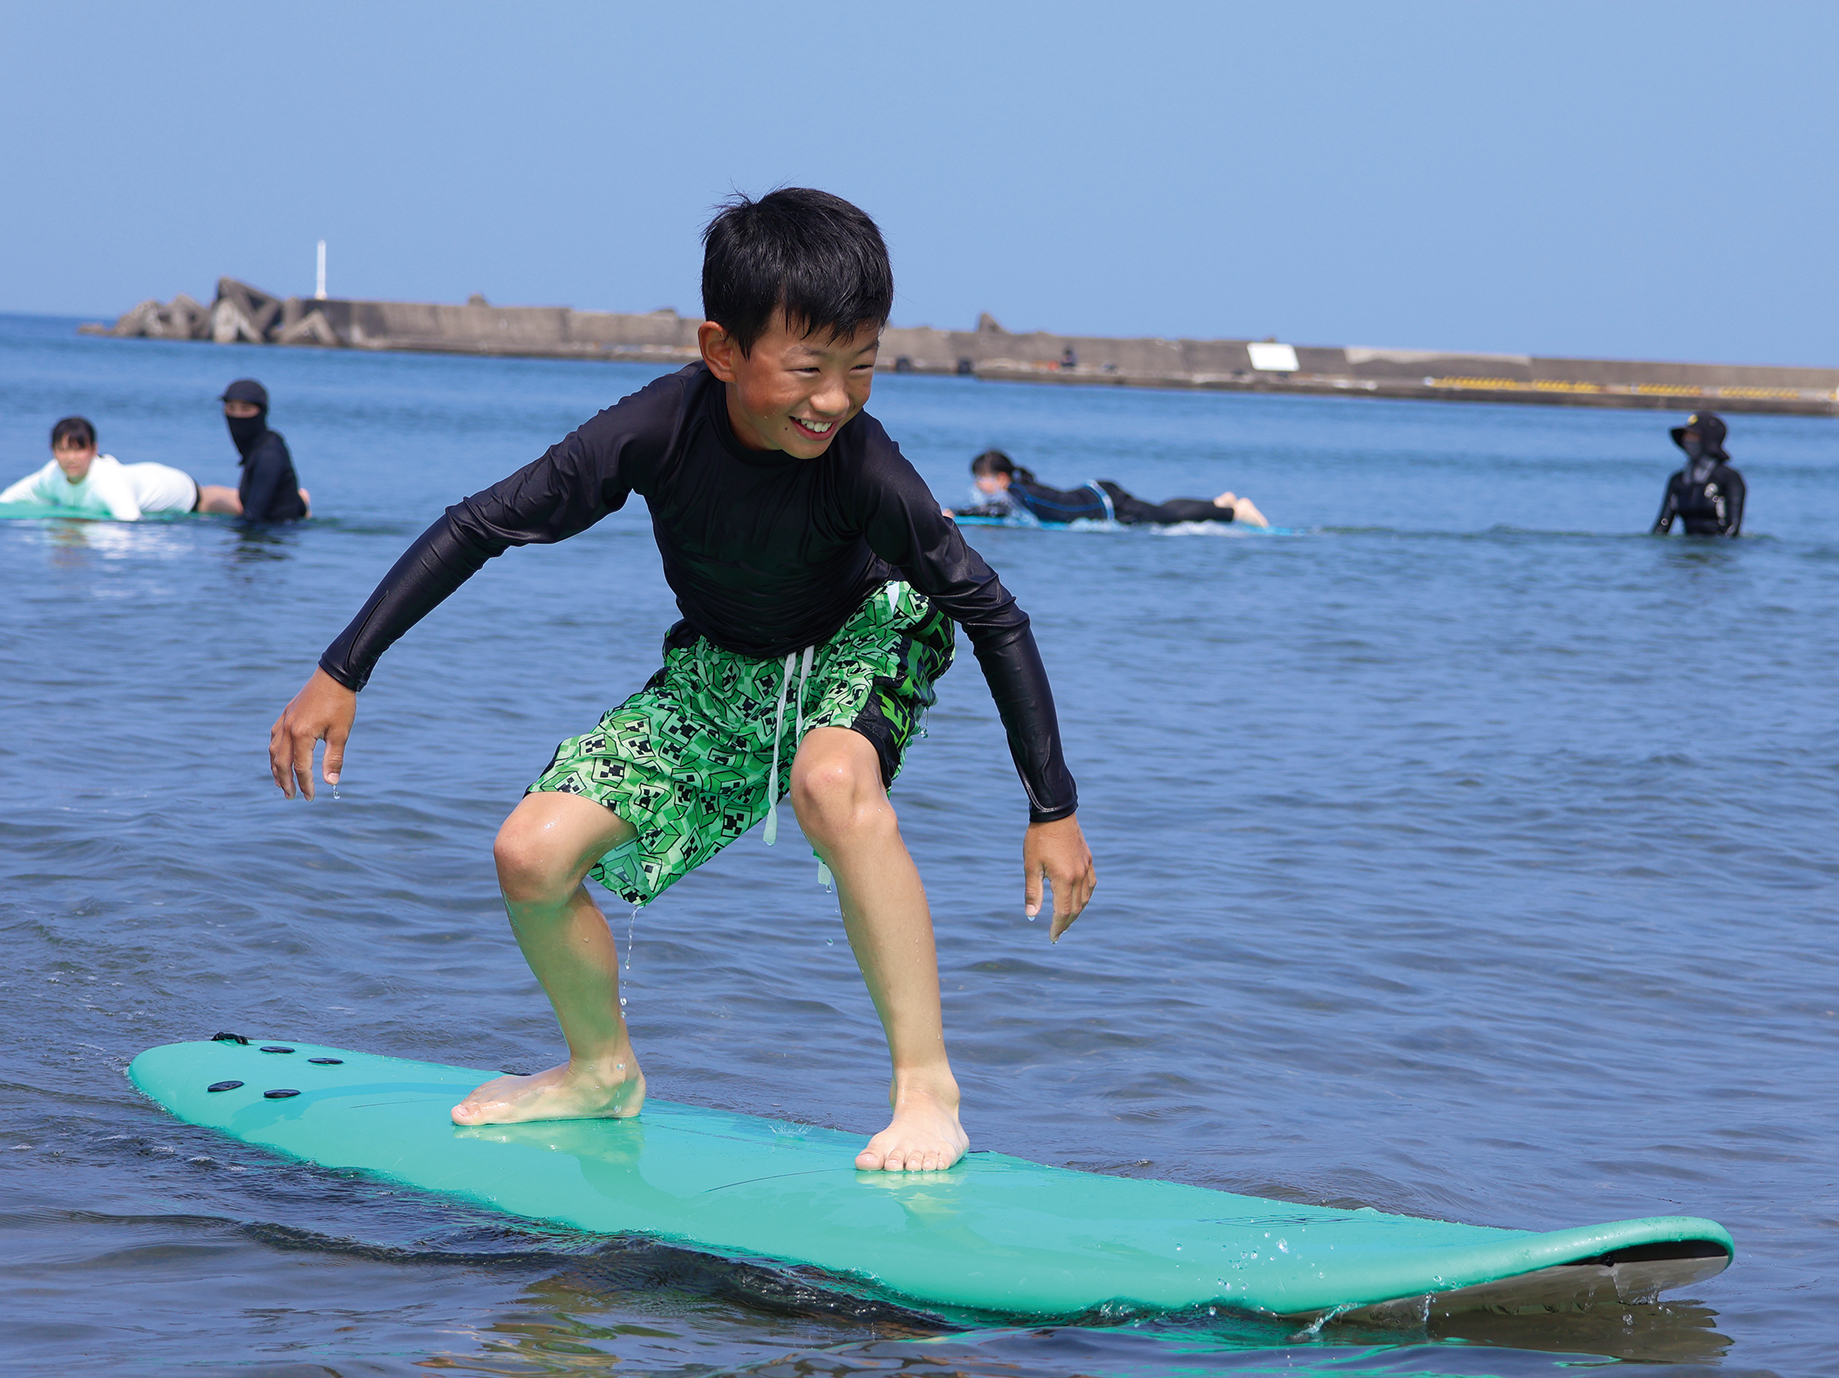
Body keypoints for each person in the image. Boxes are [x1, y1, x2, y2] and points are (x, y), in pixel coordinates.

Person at [267, 189, 1095, 1174]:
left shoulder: (868, 469)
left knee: (832, 782)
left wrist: (1052, 805)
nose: (835, 399)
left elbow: (992, 610)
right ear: (721, 350)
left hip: (872, 630)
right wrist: (341, 667)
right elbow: (479, 523)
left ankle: (927, 1092)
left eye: (862, 366)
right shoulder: (650, 432)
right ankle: (600, 1072)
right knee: (530, 853)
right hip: (726, 661)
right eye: (809, 368)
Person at [950, 450, 1269, 527]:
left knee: (1166, 518)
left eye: (984, 478)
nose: (980, 484)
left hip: (1106, 502)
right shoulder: (1019, 491)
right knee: (1161, 510)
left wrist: (956, 513)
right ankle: (1218, 501)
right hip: (1098, 494)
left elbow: (992, 510)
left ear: (1002, 478)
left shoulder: (1015, 495)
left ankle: (1233, 511)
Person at [2, 416, 206, 520]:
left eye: (78, 450)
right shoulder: (51, 474)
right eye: (62, 450)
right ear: (52, 451)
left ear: (93, 449)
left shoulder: (108, 483)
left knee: (232, 503)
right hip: (144, 476)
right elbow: (8, 499)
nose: (70, 458)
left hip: (185, 493)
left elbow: (131, 523)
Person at [213, 379, 311, 520]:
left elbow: (253, 518)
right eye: (231, 408)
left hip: (276, 537)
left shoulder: (269, 455)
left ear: (262, 412)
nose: (237, 416)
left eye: (246, 409)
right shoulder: (262, 446)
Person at [1651, 411, 1744, 537]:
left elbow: (1733, 530)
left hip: (1717, 549)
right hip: (1686, 546)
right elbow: (1661, 527)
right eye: (1686, 436)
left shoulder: (1729, 478)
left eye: (1693, 436)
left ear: (1709, 439)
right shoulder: (1677, 480)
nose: (1687, 441)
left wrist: (1720, 551)